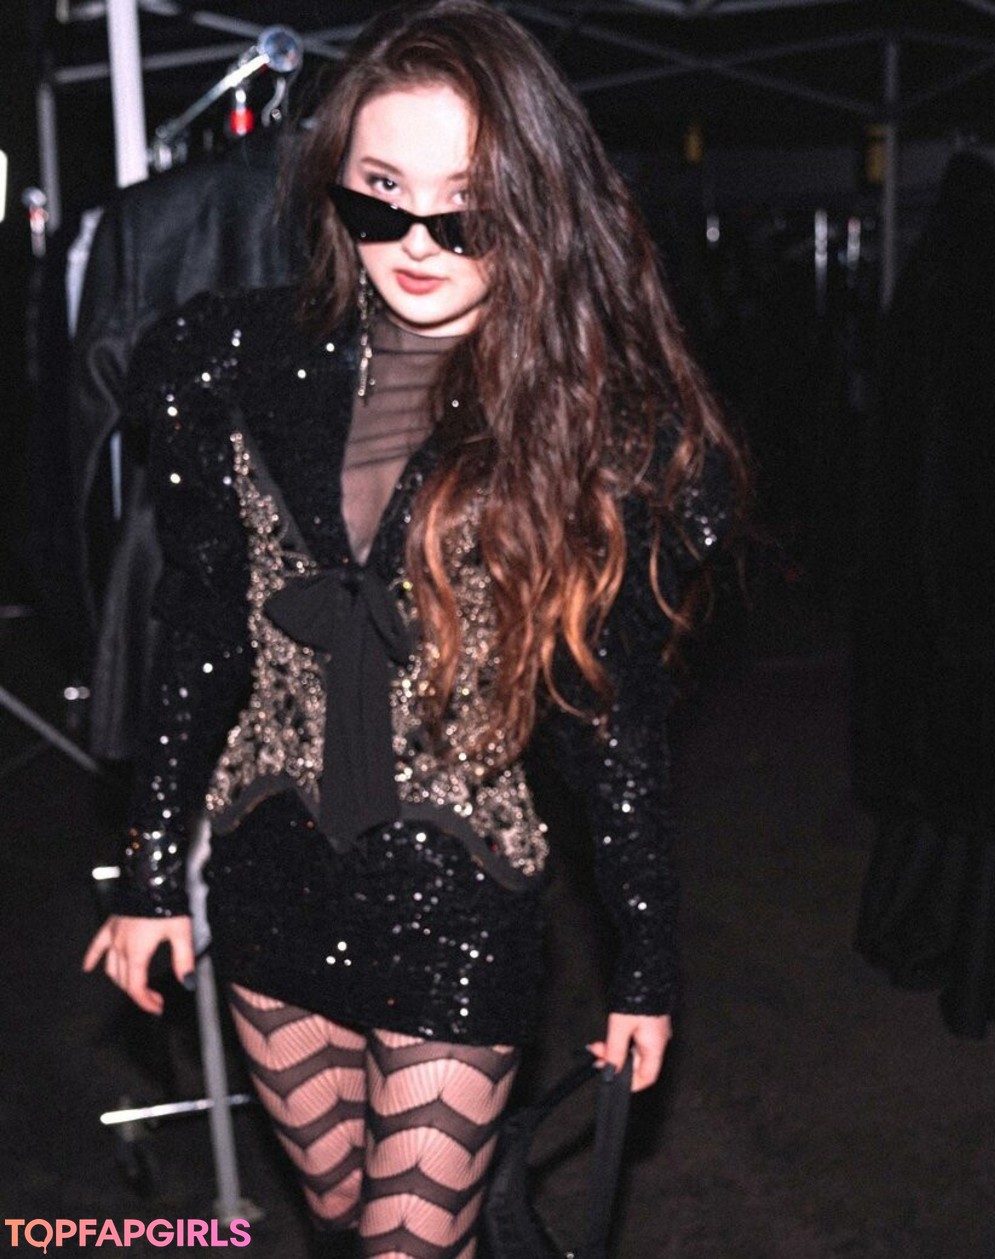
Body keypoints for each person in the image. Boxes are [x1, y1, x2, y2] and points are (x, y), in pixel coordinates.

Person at [83, 3, 747, 1255]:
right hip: (271, 872)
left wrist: (646, 957)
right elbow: (202, 628)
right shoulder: (233, 364)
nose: (419, 242)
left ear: (536, 208)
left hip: (460, 896)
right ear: (333, 183)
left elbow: (614, 722)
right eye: (382, 195)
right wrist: (154, 869)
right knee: (341, 1217)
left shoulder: (586, 423)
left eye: (468, 210)